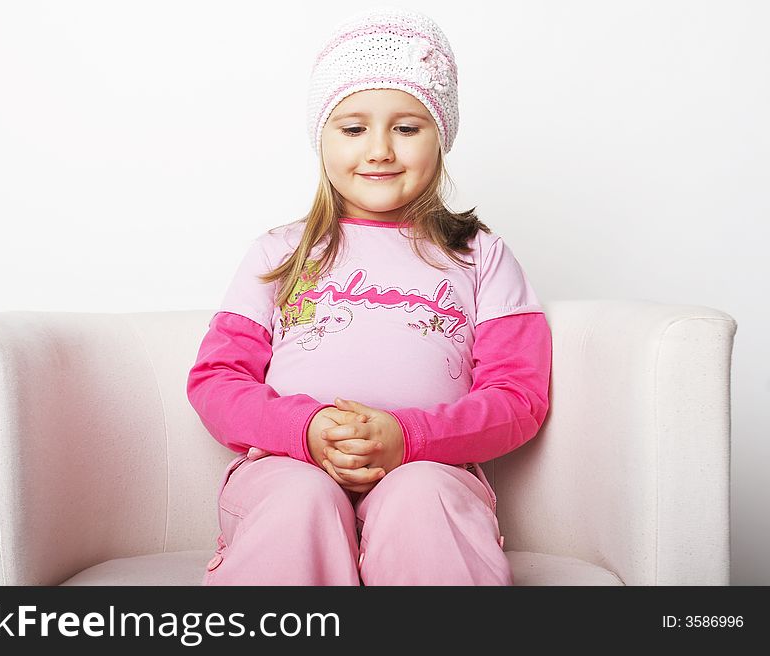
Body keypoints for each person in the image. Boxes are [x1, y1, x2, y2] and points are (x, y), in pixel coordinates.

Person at [186, 6, 552, 585]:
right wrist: (304, 429)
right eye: (353, 128)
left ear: (441, 137)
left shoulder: (481, 255)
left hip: (430, 466)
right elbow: (216, 380)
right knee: (297, 502)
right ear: (322, 138)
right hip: (287, 465)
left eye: (406, 128)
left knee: (423, 498)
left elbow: (518, 396)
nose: (379, 149)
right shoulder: (276, 255)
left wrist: (408, 438)